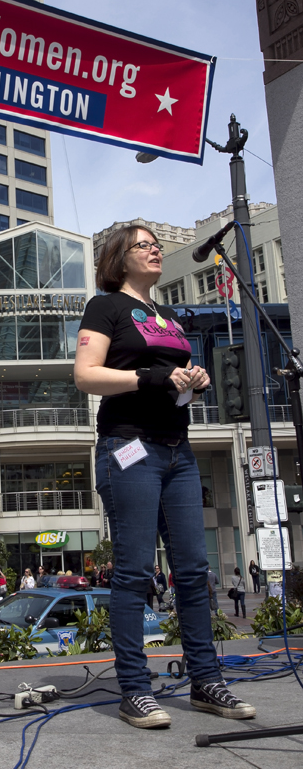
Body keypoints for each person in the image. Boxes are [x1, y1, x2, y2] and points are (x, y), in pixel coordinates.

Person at [74, 223, 255, 729]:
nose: (155, 251)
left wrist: (193, 382)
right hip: (129, 447)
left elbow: (175, 378)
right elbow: (86, 375)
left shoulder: (168, 316)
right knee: (134, 572)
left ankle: (206, 681)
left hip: (179, 450)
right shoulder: (104, 306)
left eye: (157, 245)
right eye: (143, 245)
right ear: (119, 258)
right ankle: (135, 688)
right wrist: (151, 376)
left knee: (194, 571)